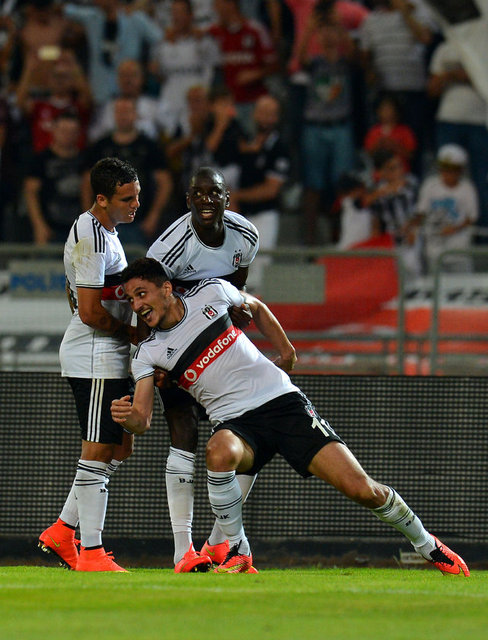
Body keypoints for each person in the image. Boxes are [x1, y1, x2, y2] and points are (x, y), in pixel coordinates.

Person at [111, 257, 470, 577]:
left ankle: (427, 545)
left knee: (363, 490)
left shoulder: (211, 293)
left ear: (167, 289)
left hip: (283, 404)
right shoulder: (148, 353)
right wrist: (129, 419)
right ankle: (238, 550)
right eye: (131, 300)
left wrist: (286, 351)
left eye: (142, 294)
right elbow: (142, 419)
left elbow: (257, 307)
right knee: (218, 452)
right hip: (236, 425)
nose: (137, 305)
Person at [145, 166, 259, 572]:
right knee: (184, 434)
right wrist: (156, 356)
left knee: (250, 435)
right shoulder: (167, 249)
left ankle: (217, 542)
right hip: (178, 345)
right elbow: (148, 303)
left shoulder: (246, 235)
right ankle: (183, 550)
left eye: (214, 193)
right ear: (188, 199)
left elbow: (238, 287)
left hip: (222, 347)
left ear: (227, 198)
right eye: (198, 194)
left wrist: (239, 312)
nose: (206, 200)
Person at [38, 157, 140, 572]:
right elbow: (90, 312)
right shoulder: (92, 236)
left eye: (137, 196)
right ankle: (93, 551)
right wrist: (133, 334)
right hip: (94, 355)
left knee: (119, 448)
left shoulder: (107, 233)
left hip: (109, 355)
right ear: (101, 199)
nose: (135, 205)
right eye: (126, 199)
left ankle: (63, 530)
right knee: (97, 450)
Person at [82, 97, 173, 246]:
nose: (123, 115)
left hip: (139, 223)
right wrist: (90, 217)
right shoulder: (100, 147)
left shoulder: (149, 147)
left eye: (127, 111)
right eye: (119, 111)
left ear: (136, 114)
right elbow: (87, 183)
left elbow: (165, 183)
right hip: (105, 223)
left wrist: (154, 216)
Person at [231, 93, 290, 292]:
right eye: (262, 112)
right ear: (254, 114)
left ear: (277, 117)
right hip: (240, 215)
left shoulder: (279, 148)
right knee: (235, 271)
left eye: (270, 113)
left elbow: (271, 189)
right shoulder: (244, 143)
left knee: (258, 273)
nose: (265, 117)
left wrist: (237, 195)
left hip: (264, 216)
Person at [415, 144, 478, 274]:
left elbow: (471, 217)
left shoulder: (467, 188)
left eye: (452, 170)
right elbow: (421, 212)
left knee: (463, 284)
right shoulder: (430, 185)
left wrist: (454, 228)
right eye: (444, 169)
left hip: (459, 251)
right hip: (434, 250)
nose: (447, 174)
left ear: (460, 171)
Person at [24, 111, 84, 244]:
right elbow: (30, 194)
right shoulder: (40, 159)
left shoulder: (86, 160)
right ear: (54, 131)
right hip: (50, 228)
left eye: (72, 132)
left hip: (79, 230)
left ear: (78, 133)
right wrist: (39, 225)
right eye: (63, 131)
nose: (67, 136)